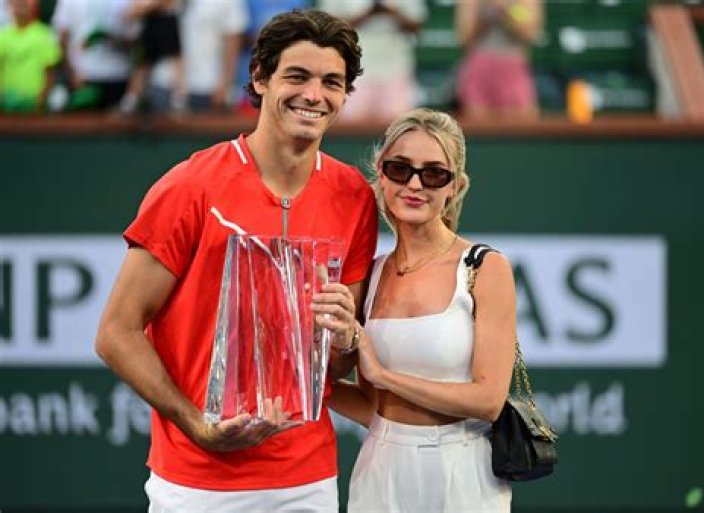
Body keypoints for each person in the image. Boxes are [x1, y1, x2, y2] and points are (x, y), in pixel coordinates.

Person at [94, 9, 378, 512]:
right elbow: (116, 332)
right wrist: (198, 426)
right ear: (260, 78)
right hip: (196, 484)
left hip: (308, 481)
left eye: (331, 82)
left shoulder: (354, 195)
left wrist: (346, 338)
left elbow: (333, 362)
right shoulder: (190, 186)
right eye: (297, 76)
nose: (314, 95)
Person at [329, 108, 516, 512]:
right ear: (381, 174)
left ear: (455, 186)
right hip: (380, 467)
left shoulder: (485, 267)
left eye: (433, 174)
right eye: (400, 169)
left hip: (463, 470)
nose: (414, 184)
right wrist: (300, 377)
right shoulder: (371, 274)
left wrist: (384, 376)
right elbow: (371, 407)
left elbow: (488, 400)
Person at [318, 0, 426, 125]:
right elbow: (329, 27)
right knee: (350, 120)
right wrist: (368, 13)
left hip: (395, 65)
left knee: (399, 123)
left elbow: (417, 25)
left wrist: (391, 11)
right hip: (352, 65)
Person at [455, 0, 544, 121]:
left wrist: (506, 8)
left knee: (522, 124)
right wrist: (485, 14)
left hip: (513, 68)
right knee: (477, 126)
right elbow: (464, 37)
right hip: (479, 68)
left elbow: (528, 31)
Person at [0, 0, 61, 113]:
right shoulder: (3, 36)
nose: (20, 10)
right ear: (10, 8)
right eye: (16, 6)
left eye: (23, 6)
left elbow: (50, 71)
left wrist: (41, 97)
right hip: (8, 102)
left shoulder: (43, 34)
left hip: (34, 102)